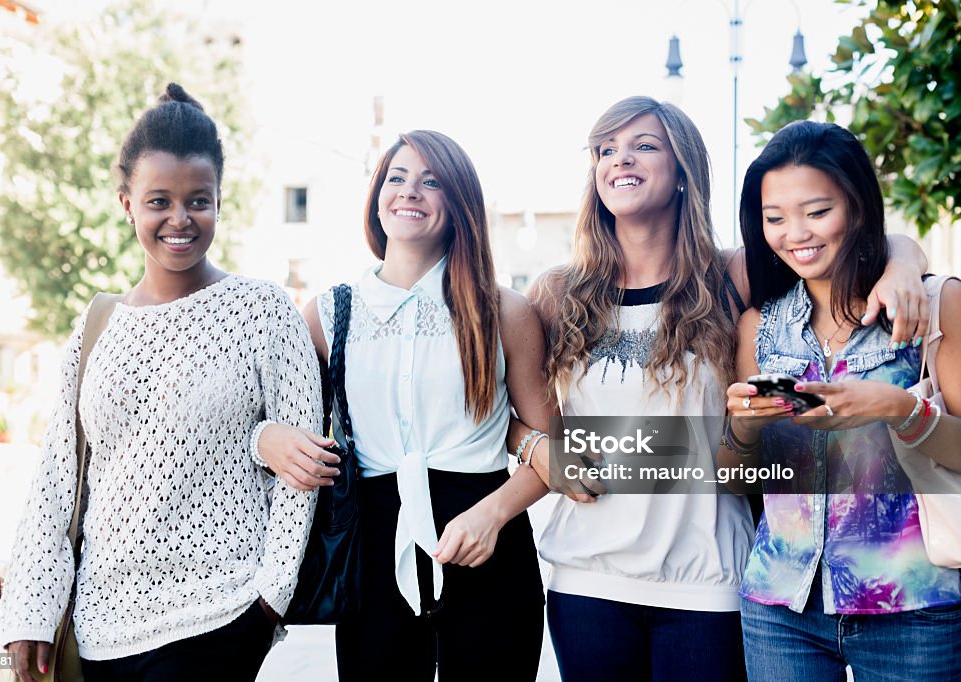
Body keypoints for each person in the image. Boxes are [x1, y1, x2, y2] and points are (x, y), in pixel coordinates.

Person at [515, 97, 930, 681]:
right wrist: (537, 447)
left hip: (709, 580)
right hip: (588, 577)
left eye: (644, 145)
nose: (620, 160)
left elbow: (831, 248)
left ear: (683, 169)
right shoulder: (558, 293)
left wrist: (905, 261)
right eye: (605, 150)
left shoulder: (729, 275)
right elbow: (516, 414)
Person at [0, 83, 322, 682]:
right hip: (99, 628)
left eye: (198, 200)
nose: (179, 219)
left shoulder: (266, 313)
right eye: (158, 201)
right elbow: (56, 476)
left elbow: (301, 478)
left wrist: (268, 605)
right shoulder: (96, 326)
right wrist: (30, 612)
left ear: (220, 200)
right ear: (126, 204)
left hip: (217, 620)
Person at [256, 130, 550, 681]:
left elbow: (553, 450)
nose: (409, 191)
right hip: (370, 550)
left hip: (488, 540)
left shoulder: (504, 312)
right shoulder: (329, 313)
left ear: (459, 202)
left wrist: (494, 513)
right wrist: (266, 438)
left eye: (431, 180)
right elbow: (262, 416)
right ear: (377, 196)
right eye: (397, 178)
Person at [724, 119, 961, 681]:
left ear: (856, 205)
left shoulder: (933, 303)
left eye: (816, 211)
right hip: (780, 606)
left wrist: (897, 409)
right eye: (775, 217)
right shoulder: (759, 326)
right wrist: (745, 429)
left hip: (914, 606)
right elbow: (735, 479)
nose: (795, 233)